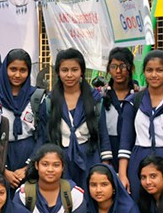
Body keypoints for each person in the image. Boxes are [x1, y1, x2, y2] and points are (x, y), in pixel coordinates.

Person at [118, 50, 163, 198]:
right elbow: (125, 143)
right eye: (149, 70)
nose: (154, 75)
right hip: (139, 159)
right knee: (139, 208)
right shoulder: (133, 102)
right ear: (144, 72)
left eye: (160, 70)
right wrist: (122, 174)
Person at [37, 48, 109, 188]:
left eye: (74, 70)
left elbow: (103, 133)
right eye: (64, 70)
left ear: (82, 71)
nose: (69, 75)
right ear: (58, 72)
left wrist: (105, 166)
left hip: (90, 158)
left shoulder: (95, 100)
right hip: (60, 161)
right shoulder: (49, 102)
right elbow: (44, 137)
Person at [0, 48, 37, 189]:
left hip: (30, 157)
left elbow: (43, 135)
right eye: (12, 69)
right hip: (1, 155)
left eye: (23, 70)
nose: (17, 75)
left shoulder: (36, 97)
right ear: (5, 69)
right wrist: (3, 170)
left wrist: (28, 167)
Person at [102, 48, 135, 171]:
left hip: (132, 148)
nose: (118, 71)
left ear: (131, 68)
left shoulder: (138, 97)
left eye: (123, 66)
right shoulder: (102, 97)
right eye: (113, 66)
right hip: (109, 148)